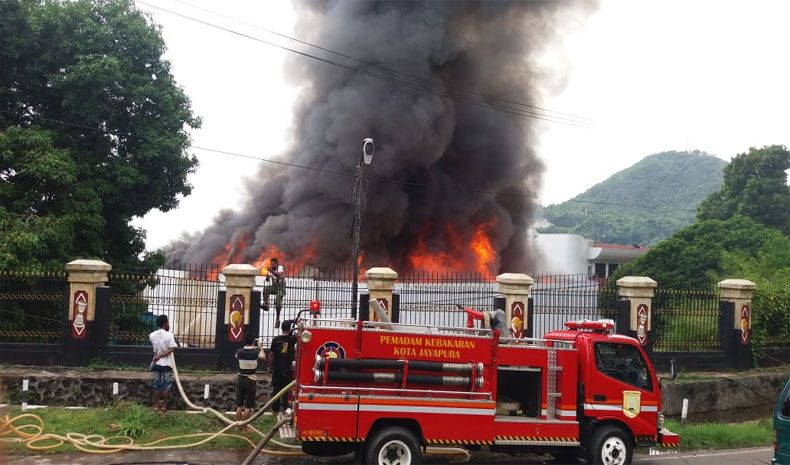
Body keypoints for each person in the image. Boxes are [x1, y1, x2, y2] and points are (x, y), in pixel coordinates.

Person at [235, 330, 266, 423]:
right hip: (251, 379)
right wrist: (261, 348)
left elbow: (236, 356)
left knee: (239, 404)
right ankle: (244, 425)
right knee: (248, 405)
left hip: (241, 378)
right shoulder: (255, 352)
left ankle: (237, 424)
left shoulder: (239, 351)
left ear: (244, 340)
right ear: (253, 341)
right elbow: (263, 357)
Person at [149, 314, 177, 413]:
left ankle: (156, 406)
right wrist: (161, 356)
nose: (169, 324)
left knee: (156, 385)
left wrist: (158, 356)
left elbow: (155, 350)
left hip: (156, 363)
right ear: (165, 323)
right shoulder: (169, 335)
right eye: (168, 322)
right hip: (167, 364)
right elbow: (171, 349)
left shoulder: (152, 335)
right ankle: (164, 406)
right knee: (166, 386)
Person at [268, 320, 295, 413]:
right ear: (290, 329)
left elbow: (271, 355)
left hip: (277, 367)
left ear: (281, 328)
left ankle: (275, 409)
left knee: (276, 388)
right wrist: (296, 323)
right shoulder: (293, 339)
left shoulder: (275, 340)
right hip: (288, 368)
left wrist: (270, 367)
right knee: (286, 389)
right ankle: (285, 408)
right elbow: (302, 333)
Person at [261, 258, 286, 327]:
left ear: (277, 264)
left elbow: (279, 276)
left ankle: (277, 318)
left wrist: (271, 271)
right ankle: (266, 305)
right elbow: (267, 279)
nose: (272, 265)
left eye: (273, 264)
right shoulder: (270, 270)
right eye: (271, 264)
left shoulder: (280, 268)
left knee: (277, 302)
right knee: (265, 289)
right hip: (274, 287)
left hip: (281, 288)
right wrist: (267, 276)